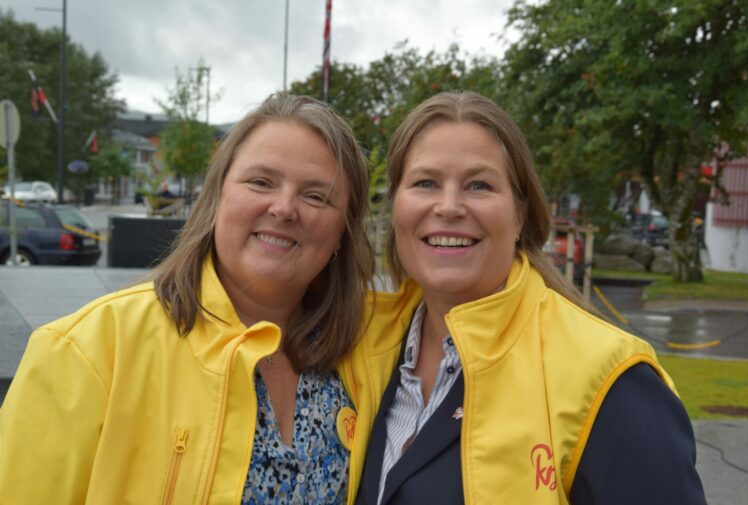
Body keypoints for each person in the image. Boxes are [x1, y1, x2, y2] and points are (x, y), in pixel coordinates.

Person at [0, 93, 374, 504]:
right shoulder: (87, 351)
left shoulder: (365, 357)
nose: (284, 208)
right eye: (260, 182)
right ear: (216, 198)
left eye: (316, 196)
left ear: (343, 232)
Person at [347, 91, 706, 504]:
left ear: (520, 213)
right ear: (396, 207)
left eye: (478, 185)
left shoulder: (608, 378)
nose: (448, 206)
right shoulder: (359, 346)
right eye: (425, 183)